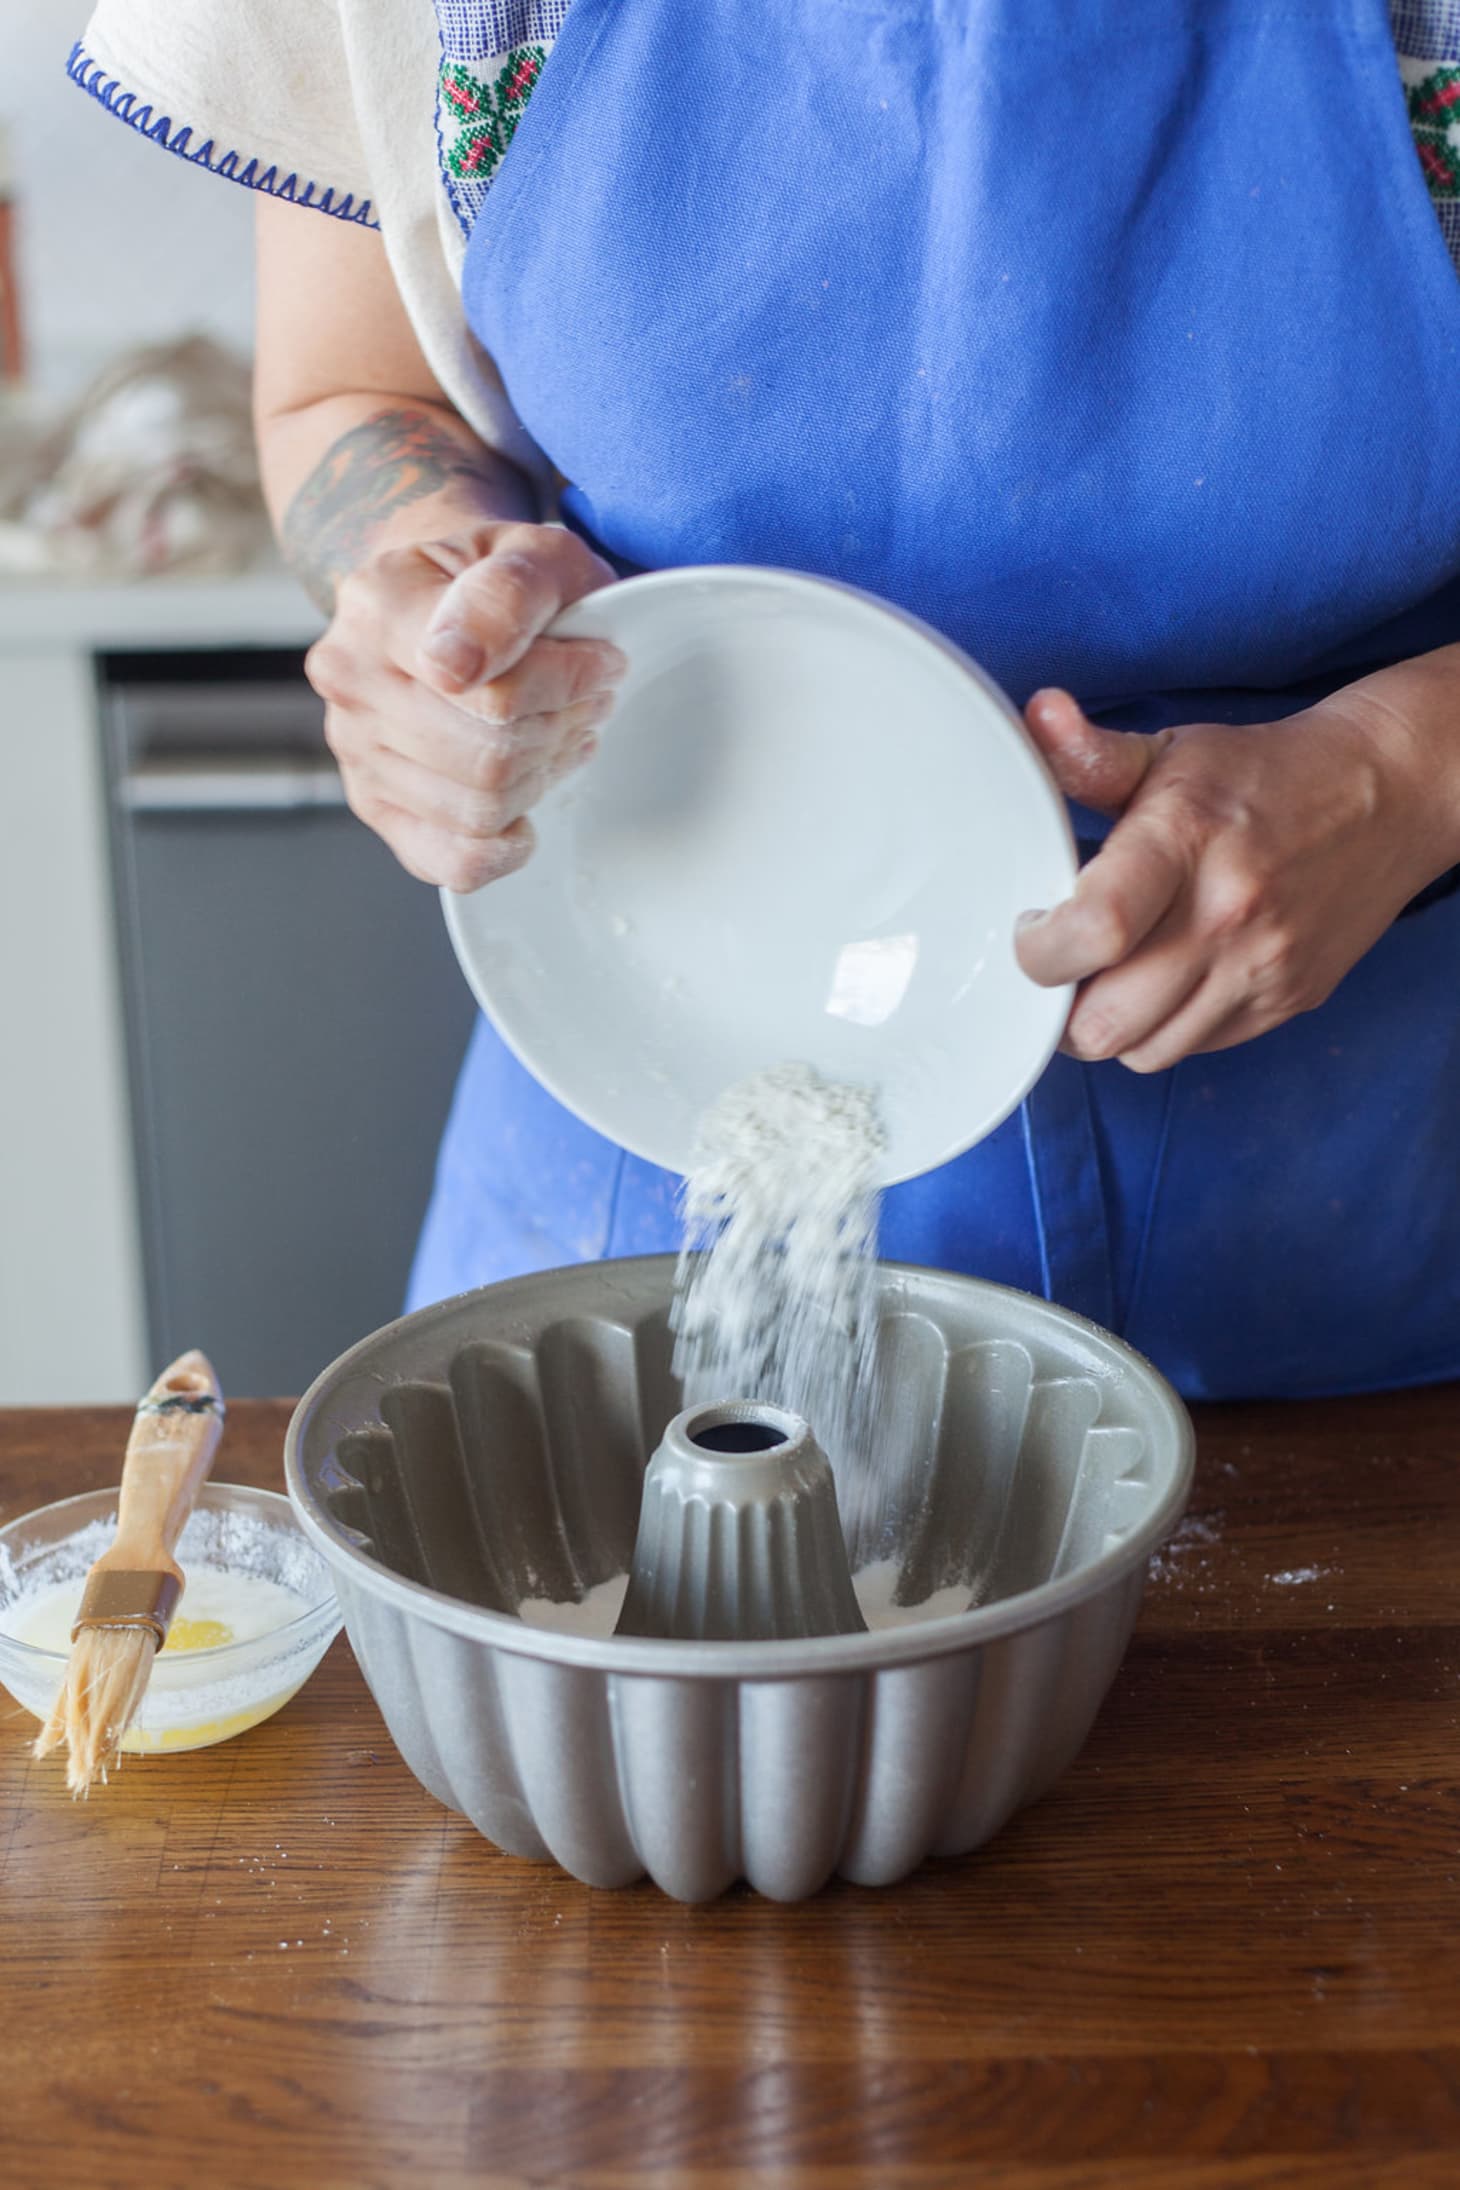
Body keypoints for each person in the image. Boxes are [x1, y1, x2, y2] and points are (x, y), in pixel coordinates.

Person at [70, 0, 1460, 1399]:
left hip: (1362, 1207)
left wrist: (1405, 772)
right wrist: (424, 597)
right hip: (649, 1122)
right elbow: (352, 387)